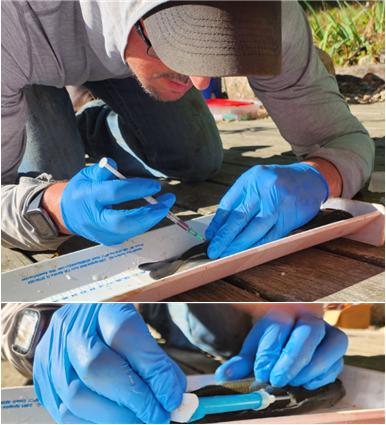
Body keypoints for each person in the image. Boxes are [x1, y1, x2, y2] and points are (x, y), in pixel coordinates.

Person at [1, 0, 374, 258]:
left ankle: (94, 125)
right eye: (182, 46)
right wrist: (53, 209)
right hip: (25, 67)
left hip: (113, 48)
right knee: (51, 172)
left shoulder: (273, 13)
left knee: (197, 155)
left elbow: (341, 136)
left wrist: (321, 175)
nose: (200, 80)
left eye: (215, 49)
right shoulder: (14, 20)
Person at [1, 302, 349, 424]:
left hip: (199, 326)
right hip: (104, 296)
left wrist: (300, 308)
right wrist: (33, 325)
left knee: (228, 329)